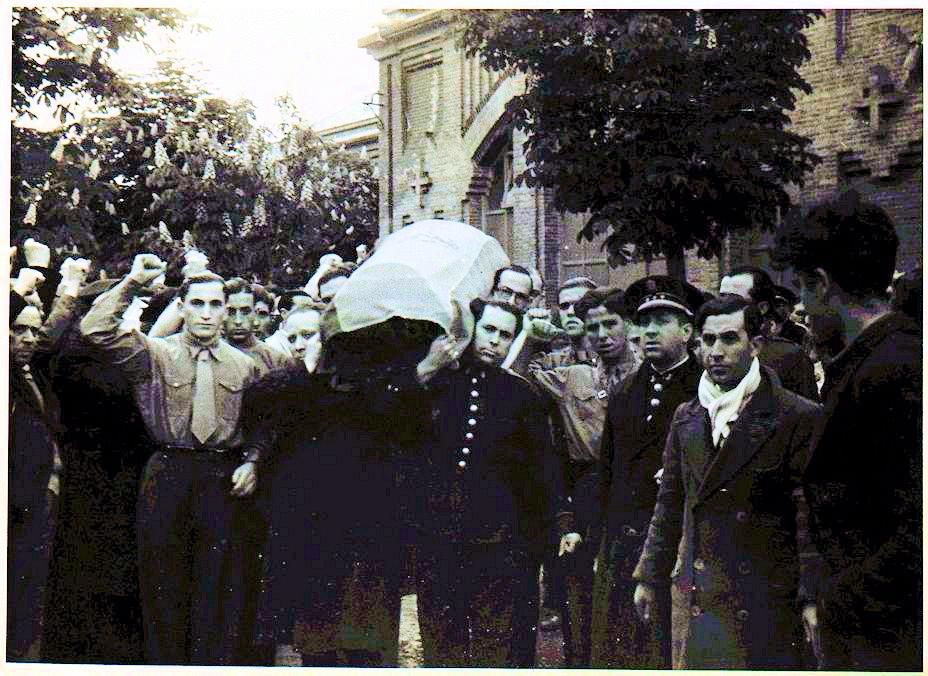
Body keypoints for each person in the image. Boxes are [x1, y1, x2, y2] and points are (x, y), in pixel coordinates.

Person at [80, 256, 260, 665]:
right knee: (162, 588)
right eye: (198, 303)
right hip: (168, 473)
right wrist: (132, 283)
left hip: (219, 477)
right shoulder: (154, 354)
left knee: (215, 592)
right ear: (181, 307)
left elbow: (260, 426)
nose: (208, 314)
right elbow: (94, 330)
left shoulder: (245, 366)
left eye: (217, 305)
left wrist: (253, 459)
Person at [772, 192, 922, 671]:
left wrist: (838, 605)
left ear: (821, 282)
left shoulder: (894, 369)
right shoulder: (873, 360)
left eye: (801, 288)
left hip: (885, 639)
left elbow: (912, 531)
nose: (799, 307)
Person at [632, 295, 823, 668]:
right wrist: (649, 576)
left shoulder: (795, 416)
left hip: (764, 598)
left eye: (729, 339)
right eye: (707, 340)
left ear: (755, 344)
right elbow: (669, 505)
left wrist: (811, 596)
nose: (716, 351)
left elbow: (808, 517)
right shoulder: (687, 417)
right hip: (698, 595)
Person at [242, 316, 443, 667]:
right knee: (320, 642)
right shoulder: (305, 384)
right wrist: (306, 366)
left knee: (369, 638)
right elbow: (262, 404)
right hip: (316, 533)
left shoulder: (382, 379)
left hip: (371, 531)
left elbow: (404, 425)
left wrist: (417, 376)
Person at [412, 298, 578, 667]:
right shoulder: (437, 382)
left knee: (495, 641)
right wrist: (425, 371)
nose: (494, 341)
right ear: (473, 329)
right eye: (488, 330)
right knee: (442, 639)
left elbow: (543, 466)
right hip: (438, 538)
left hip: (495, 542)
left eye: (505, 335)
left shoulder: (521, 394)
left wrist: (562, 520)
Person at [589, 275, 703, 669]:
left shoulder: (702, 391)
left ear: (688, 331)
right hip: (623, 547)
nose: (650, 332)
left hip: (674, 549)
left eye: (663, 321)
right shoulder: (625, 393)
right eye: (644, 322)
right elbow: (608, 474)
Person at [530, 286, 641, 666]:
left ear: (628, 326)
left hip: (634, 492)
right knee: (582, 599)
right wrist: (531, 337)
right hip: (587, 492)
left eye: (611, 324)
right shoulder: (571, 378)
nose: (603, 335)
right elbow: (514, 378)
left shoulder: (647, 373)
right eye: (593, 327)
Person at [7, 245, 87, 661]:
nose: (26, 340)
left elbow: (51, 332)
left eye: (31, 332)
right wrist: (30, 275)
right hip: (12, 509)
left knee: (25, 607)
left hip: (34, 503)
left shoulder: (30, 372)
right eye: (16, 330)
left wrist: (70, 288)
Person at [719, 266, 818, 400]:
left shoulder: (789, 357)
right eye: (721, 298)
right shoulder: (710, 350)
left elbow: (808, 415)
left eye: (734, 300)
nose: (723, 307)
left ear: (762, 307)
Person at [223, 277, 290, 374]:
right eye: (231, 312)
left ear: (254, 313)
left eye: (245, 312)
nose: (238, 321)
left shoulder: (276, 360)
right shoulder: (208, 355)